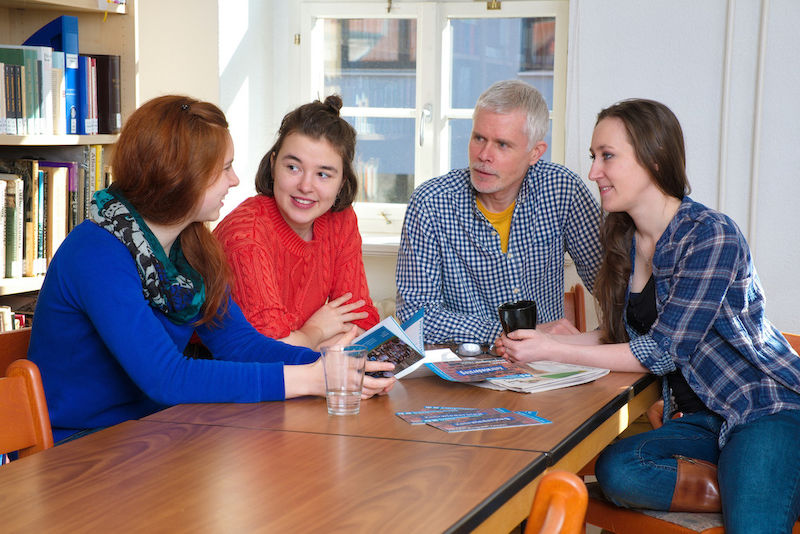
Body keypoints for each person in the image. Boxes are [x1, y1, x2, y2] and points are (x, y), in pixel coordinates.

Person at [496, 98, 800, 533]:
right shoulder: (624, 239)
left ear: (654, 160)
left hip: (763, 408)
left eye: (608, 157)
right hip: (701, 420)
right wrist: (540, 342)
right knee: (620, 468)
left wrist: (557, 349)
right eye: (593, 157)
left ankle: (764, 483)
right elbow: (615, 335)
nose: (593, 172)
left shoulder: (710, 235)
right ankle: (754, 484)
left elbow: (661, 351)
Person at [27, 95, 395, 443]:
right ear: (181, 178)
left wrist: (341, 366)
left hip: (158, 433)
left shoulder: (192, 247)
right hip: (82, 448)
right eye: (224, 169)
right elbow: (167, 378)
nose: (235, 181)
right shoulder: (96, 253)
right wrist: (314, 378)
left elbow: (239, 344)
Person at [395, 80, 603, 345]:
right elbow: (416, 317)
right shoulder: (430, 203)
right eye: (479, 138)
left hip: (546, 366)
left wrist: (600, 338)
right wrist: (504, 334)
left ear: (535, 153)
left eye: (502, 144)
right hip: (466, 370)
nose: (484, 155)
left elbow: (611, 284)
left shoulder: (562, 189)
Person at [214, 96, 379, 351]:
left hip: (302, 380)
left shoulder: (341, 220)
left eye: (323, 174)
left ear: (342, 182)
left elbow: (362, 321)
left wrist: (302, 340)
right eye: (293, 167)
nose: (305, 186)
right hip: (232, 379)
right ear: (273, 164)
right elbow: (271, 351)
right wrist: (317, 331)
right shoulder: (245, 234)